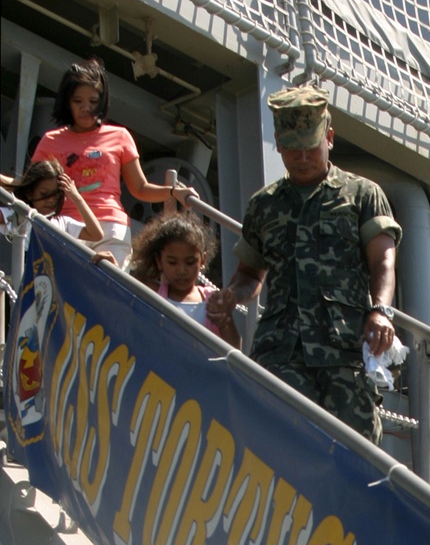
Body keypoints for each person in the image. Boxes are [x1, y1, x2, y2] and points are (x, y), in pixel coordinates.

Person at [207, 85, 400, 443]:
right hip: (282, 352)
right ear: (278, 144)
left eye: (311, 147)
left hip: (344, 353)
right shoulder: (263, 205)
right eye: (292, 149)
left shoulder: (362, 194)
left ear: (329, 137)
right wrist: (232, 295)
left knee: (355, 456)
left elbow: (384, 261)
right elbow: (250, 274)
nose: (302, 157)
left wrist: (381, 311)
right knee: (281, 446)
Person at [30, 57, 194, 266]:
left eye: (93, 101)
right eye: (77, 101)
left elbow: (140, 188)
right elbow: (29, 186)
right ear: (67, 102)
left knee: (107, 291)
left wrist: (173, 191)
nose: (85, 108)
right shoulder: (51, 141)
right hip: (68, 226)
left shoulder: (120, 136)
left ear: (103, 100)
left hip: (112, 229)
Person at [130, 214, 239, 348]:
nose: (181, 270)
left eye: (190, 262)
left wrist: (225, 321)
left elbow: (235, 349)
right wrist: (107, 263)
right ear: (159, 261)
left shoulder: (212, 299)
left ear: (203, 260)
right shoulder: (152, 292)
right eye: (172, 262)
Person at [2, 159, 108, 251]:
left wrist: (77, 198)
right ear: (30, 193)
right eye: (44, 194)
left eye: (56, 196)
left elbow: (96, 234)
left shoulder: (63, 223)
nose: (51, 200)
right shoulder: (18, 215)